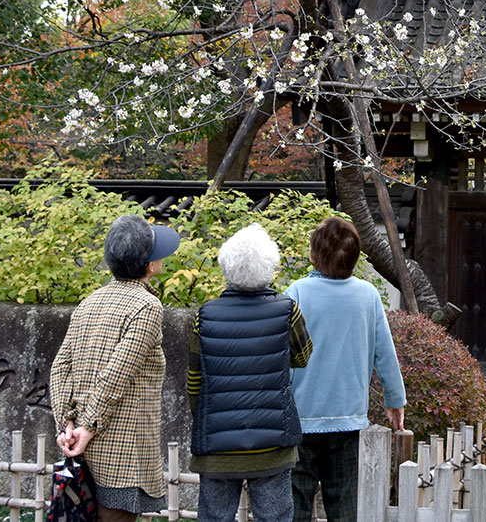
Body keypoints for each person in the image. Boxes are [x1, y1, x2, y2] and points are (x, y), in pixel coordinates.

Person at [50, 214, 180, 522]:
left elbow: (60, 367)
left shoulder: (90, 302)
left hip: (80, 447)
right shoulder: (146, 306)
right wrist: (88, 427)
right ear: (150, 265)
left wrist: (66, 424)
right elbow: (117, 373)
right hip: (122, 449)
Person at [188, 223, 313, 522]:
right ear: (269, 266)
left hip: (217, 448)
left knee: (214, 517)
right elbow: (303, 356)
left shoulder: (205, 315)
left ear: (226, 267)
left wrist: (206, 421)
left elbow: (195, 382)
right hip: (273, 445)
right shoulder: (287, 310)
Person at [287, 216, 407, 522]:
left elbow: (282, 355)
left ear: (313, 253)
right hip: (348, 420)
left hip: (300, 418)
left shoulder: (297, 292)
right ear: (355, 258)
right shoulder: (367, 296)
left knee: (294, 504)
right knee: (345, 507)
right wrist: (395, 401)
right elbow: (385, 353)